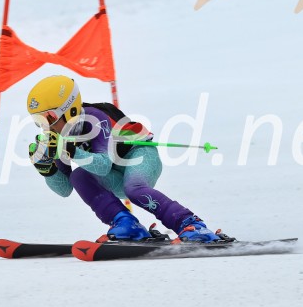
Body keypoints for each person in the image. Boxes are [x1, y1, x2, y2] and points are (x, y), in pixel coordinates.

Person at [26, 74, 233, 243]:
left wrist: (73, 152)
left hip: (139, 155)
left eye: (49, 118)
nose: (46, 127)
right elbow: (65, 189)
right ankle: (127, 224)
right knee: (79, 176)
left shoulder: (94, 118)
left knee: (134, 188)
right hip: (116, 171)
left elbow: (103, 166)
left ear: (70, 109)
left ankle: (190, 223)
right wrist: (47, 170)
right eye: (38, 121)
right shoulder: (60, 138)